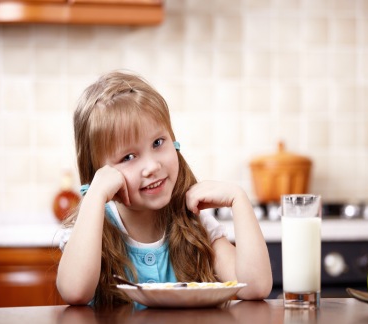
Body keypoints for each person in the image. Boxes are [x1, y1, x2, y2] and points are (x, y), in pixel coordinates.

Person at [56, 70, 273, 307]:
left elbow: (256, 287)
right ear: (101, 173)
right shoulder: (91, 230)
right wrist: (96, 195)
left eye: (158, 143)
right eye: (128, 157)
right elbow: (75, 292)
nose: (152, 166)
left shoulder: (194, 224)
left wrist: (238, 200)